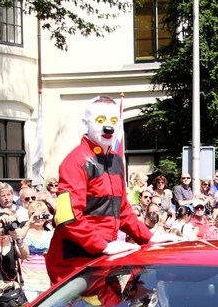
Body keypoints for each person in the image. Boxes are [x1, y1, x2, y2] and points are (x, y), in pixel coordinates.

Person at [46, 96, 176, 283]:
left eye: (113, 121)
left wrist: (148, 238)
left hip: (103, 259)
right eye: (101, 121)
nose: (108, 127)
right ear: (86, 123)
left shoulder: (115, 160)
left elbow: (122, 209)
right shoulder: (76, 161)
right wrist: (102, 245)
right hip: (76, 265)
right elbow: (68, 217)